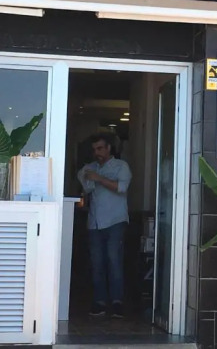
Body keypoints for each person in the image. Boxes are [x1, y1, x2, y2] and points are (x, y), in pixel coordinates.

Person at [77, 134, 132, 317]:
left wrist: (99, 178)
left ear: (109, 148)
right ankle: (99, 302)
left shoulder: (121, 166)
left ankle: (117, 302)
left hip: (115, 221)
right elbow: (87, 188)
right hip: (95, 222)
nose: (97, 153)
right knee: (97, 263)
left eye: (100, 148)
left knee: (114, 261)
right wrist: (88, 175)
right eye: (94, 150)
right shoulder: (89, 168)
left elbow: (122, 188)